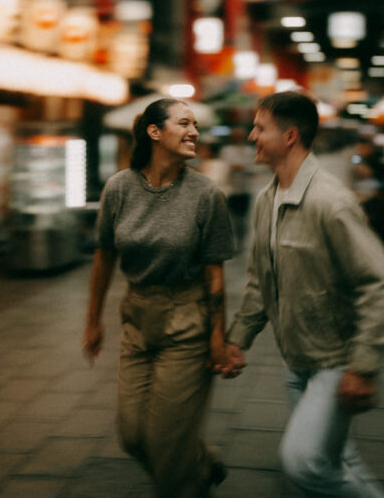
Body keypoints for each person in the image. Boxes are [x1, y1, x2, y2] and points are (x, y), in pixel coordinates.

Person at [224, 91, 384, 497]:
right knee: (335, 460)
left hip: (334, 361)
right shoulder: (267, 200)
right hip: (297, 364)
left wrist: (362, 365)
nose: (251, 137)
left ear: (290, 136)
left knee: (305, 463)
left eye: (259, 128)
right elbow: (261, 278)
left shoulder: (332, 203)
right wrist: (238, 339)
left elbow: (376, 281)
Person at [83, 98, 235, 498]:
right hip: (137, 318)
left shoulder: (206, 194)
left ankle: (187, 479)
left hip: (187, 320)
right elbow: (104, 256)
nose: (194, 132)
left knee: (166, 448)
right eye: (183, 123)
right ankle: (200, 461)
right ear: (154, 132)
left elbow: (215, 274)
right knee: (132, 434)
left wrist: (217, 338)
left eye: (196, 125)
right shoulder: (119, 188)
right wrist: (92, 320)